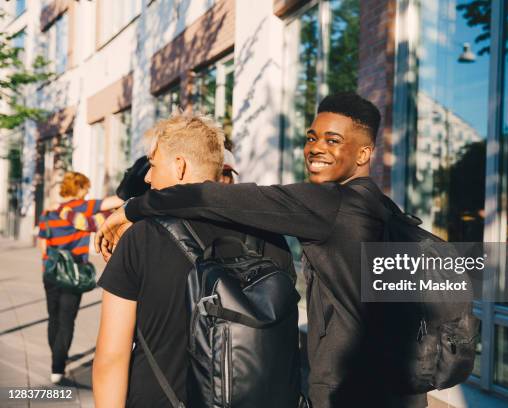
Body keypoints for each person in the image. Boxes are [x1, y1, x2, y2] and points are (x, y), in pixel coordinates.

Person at [96, 92, 427, 408]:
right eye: (312, 138)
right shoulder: (386, 212)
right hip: (397, 388)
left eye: (332, 140)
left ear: (364, 154)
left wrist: (131, 209)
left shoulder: (329, 206)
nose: (315, 148)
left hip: (348, 393)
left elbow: (207, 197)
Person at [92, 113, 296, 407]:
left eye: (152, 164)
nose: (148, 177)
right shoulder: (271, 236)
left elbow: (112, 357)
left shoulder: (141, 237)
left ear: (179, 166)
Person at [37, 171, 123, 384]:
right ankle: (58, 366)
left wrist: (48, 268)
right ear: (80, 188)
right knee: (67, 320)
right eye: (86, 188)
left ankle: (57, 358)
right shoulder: (84, 207)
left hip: (51, 272)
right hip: (74, 272)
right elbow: (119, 199)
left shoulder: (48, 212)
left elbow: (42, 246)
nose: (87, 192)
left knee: (54, 318)